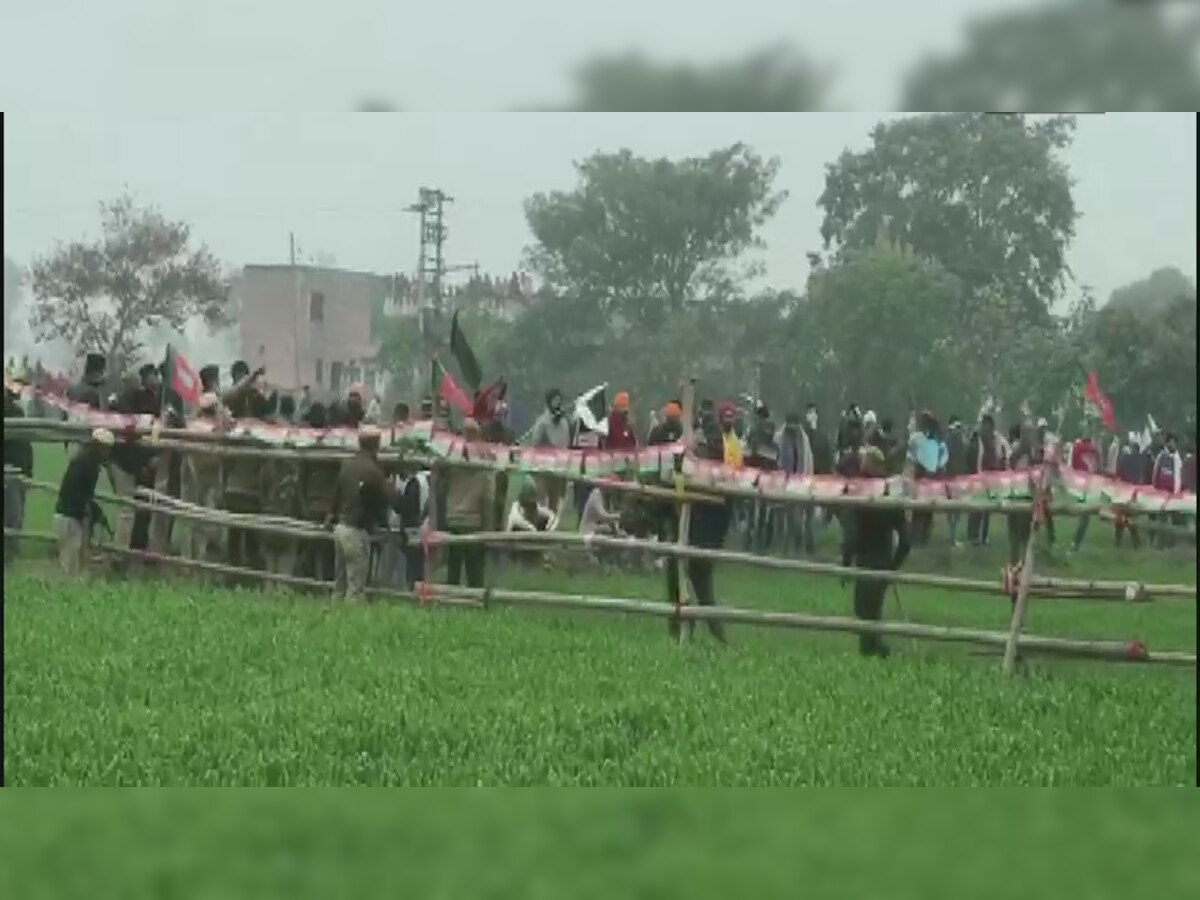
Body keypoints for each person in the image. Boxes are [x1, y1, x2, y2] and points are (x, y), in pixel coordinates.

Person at [666, 405, 735, 645]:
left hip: (708, 522)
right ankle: (684, 626)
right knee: (678, 573)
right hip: (693, 519)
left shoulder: (720, 446)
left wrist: (693, 455)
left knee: (698, 576)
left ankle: (715, 633)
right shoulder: (701, 443)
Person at [841, 445, 911, 658]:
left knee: (864, 614)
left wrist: (846, 564)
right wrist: (893, 565)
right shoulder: (891, 496)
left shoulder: (862, 494)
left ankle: (876, 652)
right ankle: (875, 651)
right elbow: (906, 541)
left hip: (866, 560)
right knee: (871, 613)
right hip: (883, 560)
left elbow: (852, 535)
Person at [327, 425, 394, 601]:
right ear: (376, 444)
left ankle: (331, 620)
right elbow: (391, 496)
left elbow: (336, 492)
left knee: (339, 583)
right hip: (357, 530)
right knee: (355, 586)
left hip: (341, 527)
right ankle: (350, 623)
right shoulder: (373, 470)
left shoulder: (347, 464)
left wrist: (330, 514)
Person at [441, 418, 496, 589]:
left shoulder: (452, 458)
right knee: (475, 573)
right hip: (473, 522)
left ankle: (450, 603)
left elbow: (443, 487)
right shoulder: (484, 462)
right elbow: (488, 498)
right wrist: (489, 528)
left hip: (453, 520)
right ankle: (476, 604)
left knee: (453, 571)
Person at [54, 428, 115, 574]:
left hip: (69, 515)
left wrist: (95, 513)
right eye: (107, 450)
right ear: (100, 447)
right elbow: (77, 494)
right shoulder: (86, 465)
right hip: (70, 518)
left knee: (76, 563)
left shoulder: (84, 462)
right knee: (71, 566)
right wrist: (91, 512)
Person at [4, 376, 34, 561]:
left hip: (19, 466)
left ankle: (11, 548)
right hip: (12, 466)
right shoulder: (13, 412)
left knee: (16, 510)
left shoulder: (18, 411)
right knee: (12, 512)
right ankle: (10, 551)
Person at [778, 411, 815, 556]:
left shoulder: (803, 440)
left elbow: (807, 462)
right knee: (790, 518)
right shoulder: (781, 437)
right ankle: (788, 549)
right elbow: (779, 459)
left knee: (799, 518)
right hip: (786, 481)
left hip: (802, 480)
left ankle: (800, 546)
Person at [530, 388, 572, 511]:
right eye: (555, 400)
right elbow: (535, 444)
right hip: (543, 469)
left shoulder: (564, 422)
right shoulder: (542, 422)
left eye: (560, 400)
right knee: (540, 501)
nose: (558, 403)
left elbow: (566, 444)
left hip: (558, 468)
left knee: (555, 502)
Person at [967, 414, 1002, 546]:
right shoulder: (977, 438)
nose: (988, 428)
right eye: (986, 425)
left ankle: (983, 536)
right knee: (976, 508)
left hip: (989, 477)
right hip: (979, 476)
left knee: (987, 509)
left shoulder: (992, 440)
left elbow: (995, 458)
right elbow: (975, 457)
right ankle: (973, 536)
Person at [1069, 428, 1101, 552]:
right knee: (1085, 515)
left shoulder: (1077, 448)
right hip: (1090, 484)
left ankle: (1076, 542)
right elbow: (1098, 467)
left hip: (1080, 482)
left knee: (1082, 512)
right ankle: (1077, 542)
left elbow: (1073, 465)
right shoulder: (1094, 450)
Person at [943, 415, 968, 547]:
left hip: (956, 476)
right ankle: (952, 538)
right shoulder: (950, 439)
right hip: (951, 477)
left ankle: (952, 536)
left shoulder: (955, 439)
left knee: (955, 510)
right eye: (958, 427)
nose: (959, 429)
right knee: (953, 509)